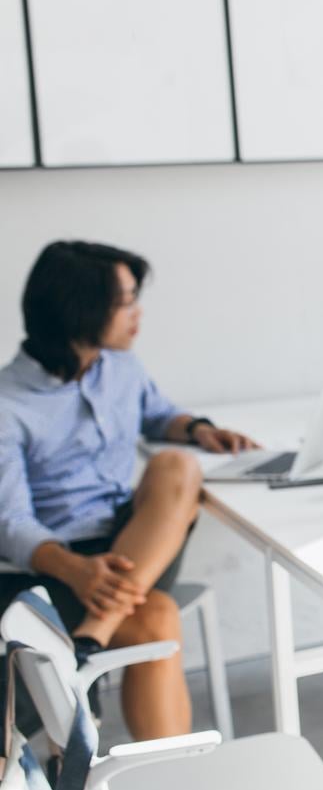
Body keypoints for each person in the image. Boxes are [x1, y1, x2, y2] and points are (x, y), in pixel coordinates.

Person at [0, 241, 257, 740]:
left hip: (132, 548)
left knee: (176, 465)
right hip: (52, 566)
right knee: (157, 617)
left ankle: (88, 640)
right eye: (126, 301)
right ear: (80, 308)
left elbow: (158, 414)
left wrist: (197, 428)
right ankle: (172, 787)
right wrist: (77, 571)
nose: (137, 314)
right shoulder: (6, 402)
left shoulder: (122, 369)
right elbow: (10, 524)